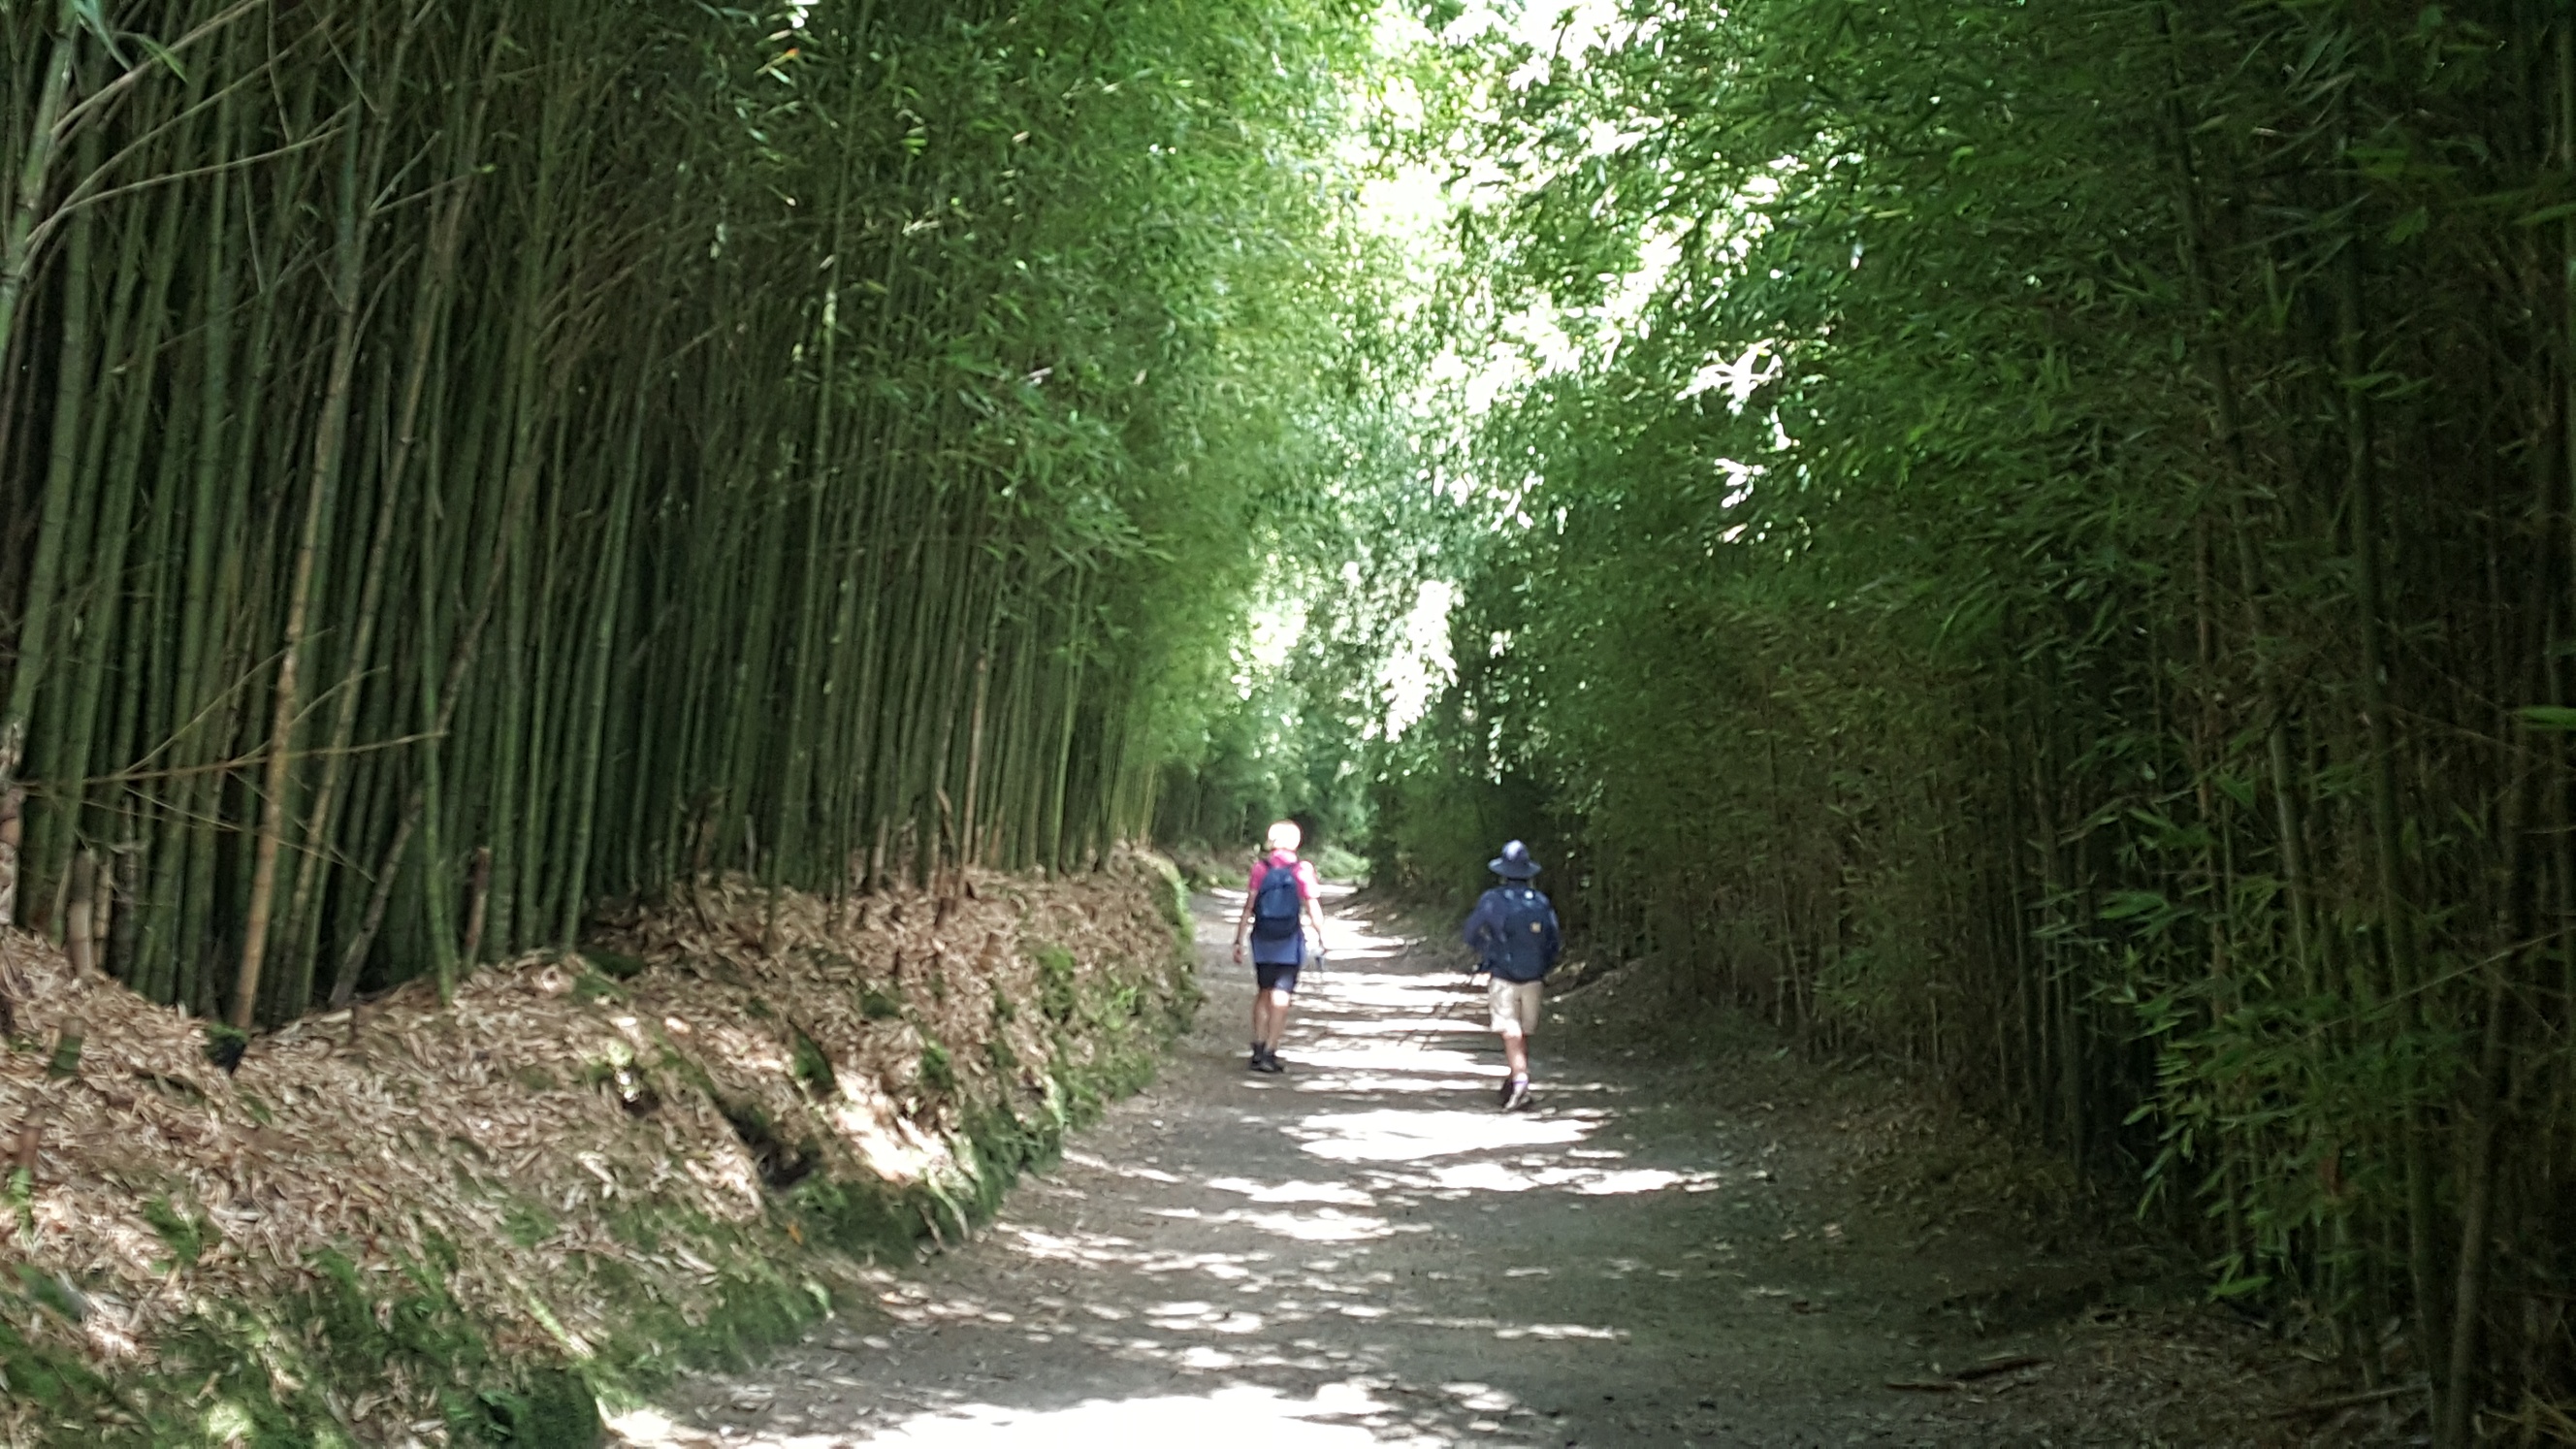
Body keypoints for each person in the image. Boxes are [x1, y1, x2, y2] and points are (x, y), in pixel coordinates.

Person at [1461, 840, 1562, 1111]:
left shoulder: (1492, 900)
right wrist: (1543, 965)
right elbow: (1554, 941)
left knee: (1510, 1030)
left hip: (1503, 975)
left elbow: (1470, 932)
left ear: (1502, 872)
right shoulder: (1540, 902)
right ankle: (1514, 1079)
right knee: (1521, 1032)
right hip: (1534, 975)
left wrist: (1488, 951)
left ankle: (1520, 1082)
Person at [1232, 820, 1327, 1074]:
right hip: (1289, 938)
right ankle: (1271, 1051)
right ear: (1296, 842)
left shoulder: (1260, 868)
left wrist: (1238, 939)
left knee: (1263, 991)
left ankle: (1258, 1047)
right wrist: (1321, 937)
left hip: (1262, 937)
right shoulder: (1302, 869)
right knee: (1281, 995)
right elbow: (1312, 907)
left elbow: (1249, 906)